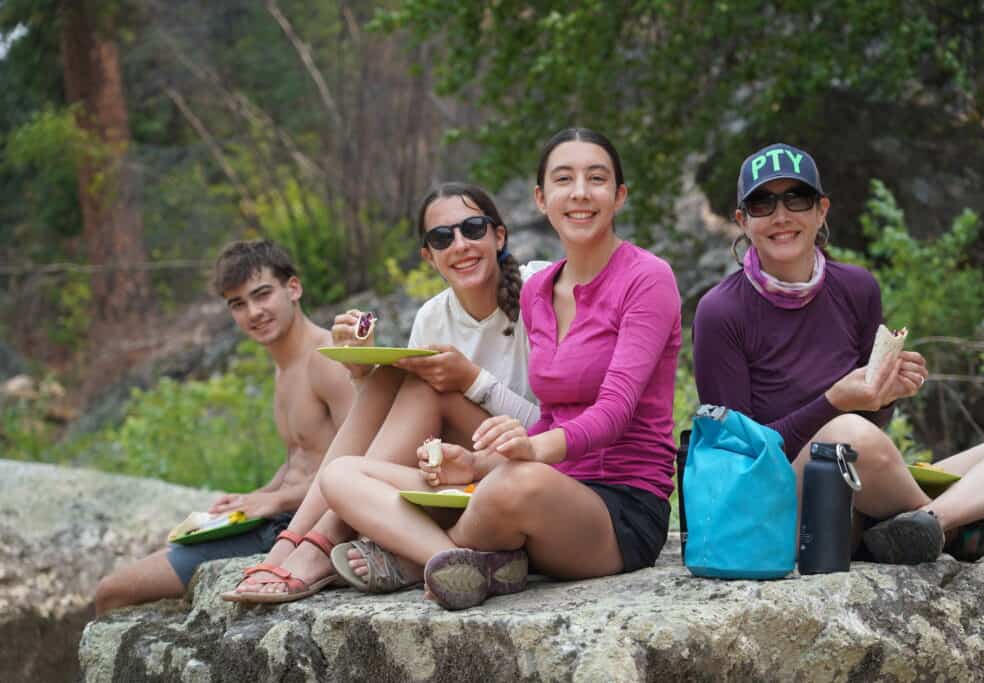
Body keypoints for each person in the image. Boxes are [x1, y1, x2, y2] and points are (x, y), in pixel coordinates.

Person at [319, 127, 681, 610]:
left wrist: (524, 452)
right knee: (342, 474)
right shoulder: (538, 291)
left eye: (596, 179)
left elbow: (614, 412)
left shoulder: (647, 278)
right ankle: (456, 563)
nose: (579, 192)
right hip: (538, 483)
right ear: (540, 198)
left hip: (618, 509)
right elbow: (553, 412)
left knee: (516, 481)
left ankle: (412, 559)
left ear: (618, 196)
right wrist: (474, 463)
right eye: (563, 179)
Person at [692, 142, 984, 565]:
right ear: (742, 220)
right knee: (847, 434)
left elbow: (873, 429)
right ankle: (959, 529)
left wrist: (883, 395)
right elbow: (737, 458)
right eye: (762, 203)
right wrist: (833, 403)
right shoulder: (721, 312)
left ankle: (925, 522)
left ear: (821, 210)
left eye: (797, 198)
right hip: (772, 508)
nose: (781, 216)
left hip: (855, 487)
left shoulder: (856, 289)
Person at [224, 182, 546, 602]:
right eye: (442, 237)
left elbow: (557, 432)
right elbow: (403, 433)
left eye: (472, 228)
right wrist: (360, 370)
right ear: (428, 256)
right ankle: (295, 543)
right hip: (457, 478)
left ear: (498, 236)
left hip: (524, 467)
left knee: (424, 384)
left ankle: (318, 543)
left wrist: (472, 382)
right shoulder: (433, 316)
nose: (461, 245)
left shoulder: (540, 288)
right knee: (389, 377)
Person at [93, 240, 356, 616]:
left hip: (307, 528)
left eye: (262, 295)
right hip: (278, 515)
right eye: (238, 304)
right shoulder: (285, 365)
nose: (254, 312)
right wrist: (250, 499)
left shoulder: (328, 360)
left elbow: (359, 464)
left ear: (293, 288)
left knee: (112, 592)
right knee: (115, 589)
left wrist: (274, 501)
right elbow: (302, 455)